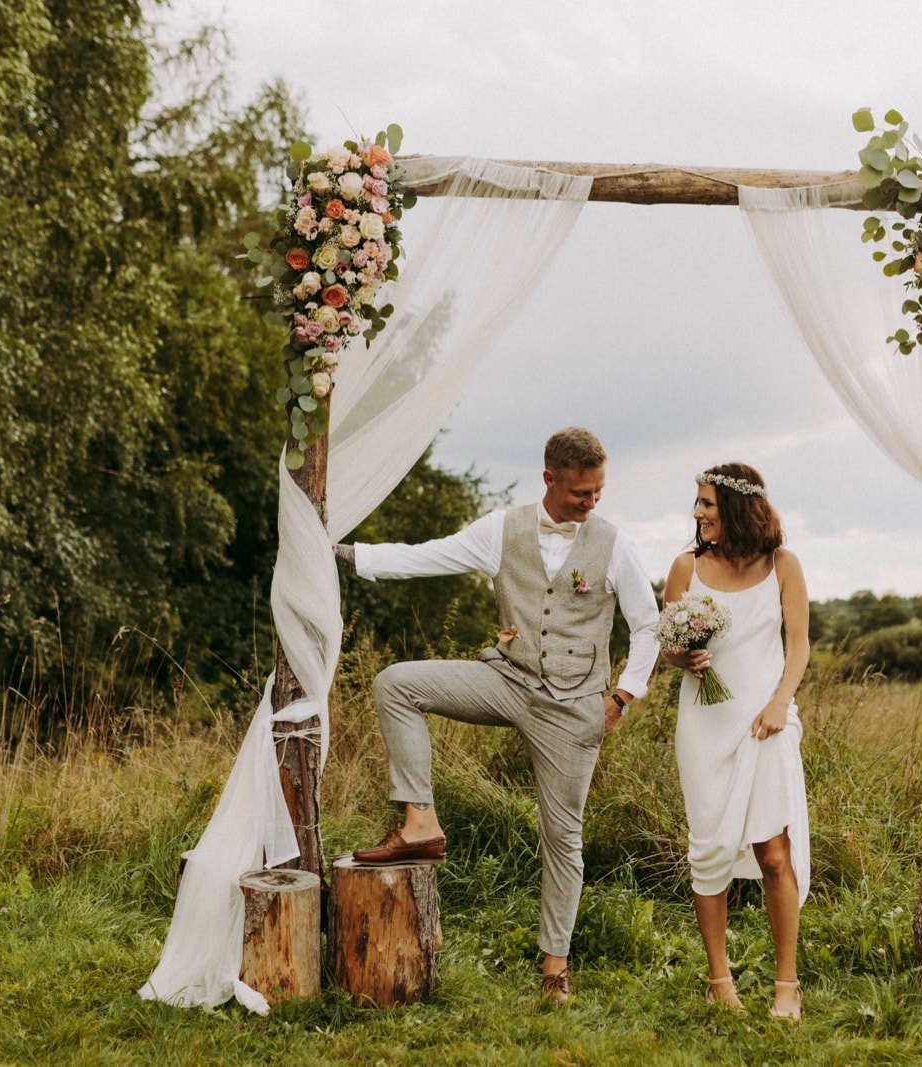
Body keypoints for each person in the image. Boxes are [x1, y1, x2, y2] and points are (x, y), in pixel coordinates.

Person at [334, 427, 659, 1004]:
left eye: (598, 492)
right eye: (581, 492)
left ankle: (554, 968)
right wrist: (349, 556)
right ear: (549, 479)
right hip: (507, 681)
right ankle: (420, 821)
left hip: (573, 707)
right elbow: (426, 556)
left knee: (562, 838)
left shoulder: (616, 544)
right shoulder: (501, 529)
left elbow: (649, 624)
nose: (592, 503)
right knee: (396, 685)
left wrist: (622, 698)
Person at [659, 462, 810, 1020]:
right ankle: (719, 980)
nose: (696, 513)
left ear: (738, 510)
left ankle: (786, 985)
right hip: (704, 724)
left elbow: (799, 647)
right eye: (697, 504)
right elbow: (667, 643)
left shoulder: (783, 567)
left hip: (767, 723)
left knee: (774, 854)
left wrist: (779, 702)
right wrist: (684, 655)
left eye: (706, 504)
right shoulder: (685, 568)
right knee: (712, 851)